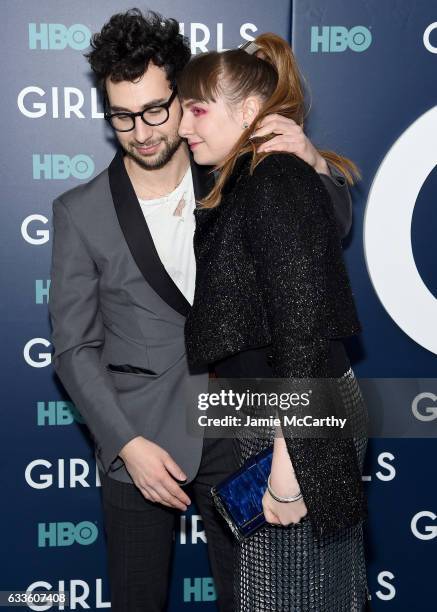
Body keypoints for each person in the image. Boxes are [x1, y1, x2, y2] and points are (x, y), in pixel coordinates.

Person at [49, 9, 356, 612]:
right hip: (139, 437)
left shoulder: (235, 172)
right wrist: (125, 443)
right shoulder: (79, 210)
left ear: (184, 99)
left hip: (243, 432)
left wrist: (314, 166)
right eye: (121, 115)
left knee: (259, 599)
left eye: (157, 109)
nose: (140, 131)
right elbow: (74, 347)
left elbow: (326, 235)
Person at [178, 33, 371, 611]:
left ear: (251, 111)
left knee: (292, 594)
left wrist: (292, 459)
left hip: (295, 419)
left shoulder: (274, 180)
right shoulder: (250, 180)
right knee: (305, 592)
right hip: (280, 412)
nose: (185, 125)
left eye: (198, 108)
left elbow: (304, 326)